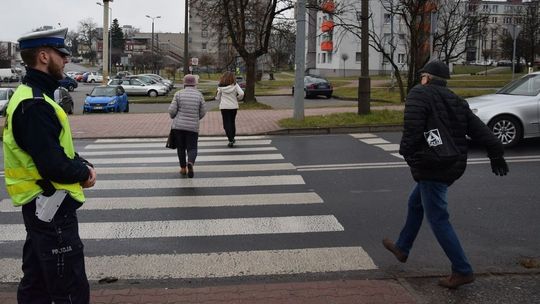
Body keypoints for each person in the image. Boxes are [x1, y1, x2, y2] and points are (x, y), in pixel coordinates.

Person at [382, 60, 509, 289]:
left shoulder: (419, 93)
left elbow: (412, 127)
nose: (421, 78)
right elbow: (479, 129)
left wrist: (406, 152)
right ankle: (402, 247)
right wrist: (496, 153)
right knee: (416, 203)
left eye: (422, 75)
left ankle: (462, 270)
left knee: (438, 218)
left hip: (433, 164)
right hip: (452, 163)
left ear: (427, 77)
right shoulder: (456, 100)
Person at [3, 28, 96, 303]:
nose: (66, 60)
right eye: (61, 54)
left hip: (42, 207)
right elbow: (53, 164)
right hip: (51, 207)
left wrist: (80, 161)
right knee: (70, 289)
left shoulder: (31, 96)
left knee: (37, 285)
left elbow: (52, 149)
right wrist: (84, 173)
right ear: (44, 56)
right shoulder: (34, 104)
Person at [168, 74, 206, 178]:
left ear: (184, 83)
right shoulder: (199, 95)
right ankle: (190, 162)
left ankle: (183, 168)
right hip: (193, 127)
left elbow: (171, 111)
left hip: (178, 127)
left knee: (181, 148)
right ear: (194, 84)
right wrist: (196, 118)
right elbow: (203, 111)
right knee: (192, 148)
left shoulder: (178, 94)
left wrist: (173, 116)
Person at [216, 71, 244, 147]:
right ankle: (232, 137)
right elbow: (241, 93)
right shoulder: (235, 85)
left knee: (226, 123)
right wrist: (237, 98)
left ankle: (230, 139)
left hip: (224, 107)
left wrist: (219, 97)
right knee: (232, 122)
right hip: (233, 106)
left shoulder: (220, 87)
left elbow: (217, 97)